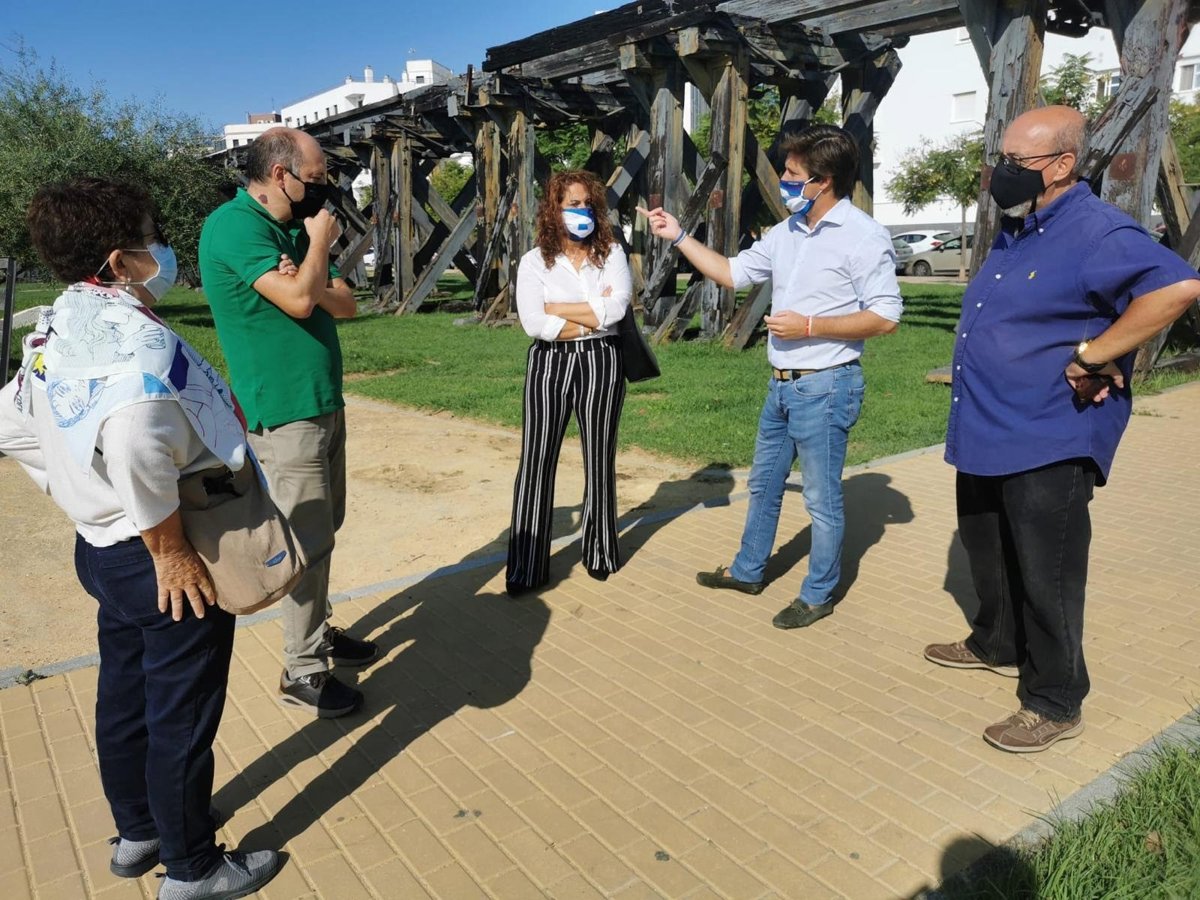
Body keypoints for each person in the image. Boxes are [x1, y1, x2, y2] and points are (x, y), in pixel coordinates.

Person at [0, 178, 282, 897]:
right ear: (120, 261)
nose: (164, 250)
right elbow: (132, 441)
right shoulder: (135, 348)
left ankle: (139, 832)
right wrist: (168, 548)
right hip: (159, 556)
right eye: (152, 237)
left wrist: (81, 492)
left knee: (125, 694)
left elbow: (12, 422)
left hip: (103, 549)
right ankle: (192, 868)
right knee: (180, 714)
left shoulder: (57, 326)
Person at [923, 106, 1200, 752]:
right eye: (1001, 158)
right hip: (988, 424)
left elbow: (1178, 288)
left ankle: (1055, 699)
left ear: (1062, 165)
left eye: (1016, 162)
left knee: (1047, 573)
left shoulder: (1097, 230)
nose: (1002, 171)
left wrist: (1096, 354)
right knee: (988, 547)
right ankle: (996, 641)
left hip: (1048, 433)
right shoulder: (1022, 227)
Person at [639, 125, 902, 628]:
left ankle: (818, 594)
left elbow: (886, 316)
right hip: (780, 384)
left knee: (821, 500)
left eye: (792, 173)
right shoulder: (786, 233)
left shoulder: (863, 236)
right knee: (763, 484)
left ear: (823, 181)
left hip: (826, 386)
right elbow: (732, 273)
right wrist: (679, 236)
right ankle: (748, 571)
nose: (783, 179)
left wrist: (811, 326)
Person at [199, 127, 378, 719]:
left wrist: (308, 273)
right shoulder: (235, 226)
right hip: (282, 412)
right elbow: (302, 301)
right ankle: (303, 668)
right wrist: (318, 250)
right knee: (306, 538)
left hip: (322, 401)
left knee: (327, 526)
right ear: (281, 174)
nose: (324, 188)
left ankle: (317, 630)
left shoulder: (291, 230)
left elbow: (345, 303)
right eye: (317, 176)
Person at [506, 170, 632, 595]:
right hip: (550, 364)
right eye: (572, 204)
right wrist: (590, 318)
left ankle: (600, 551)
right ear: (553, 210)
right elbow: (534, 322)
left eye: (587, 204)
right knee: (536, 460)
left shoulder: (611, 253)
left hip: (602, 362)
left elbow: (617, 309)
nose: (582, 211)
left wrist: (559, 307)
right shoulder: (533, 261)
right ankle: (526, 566)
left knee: (600, 456)